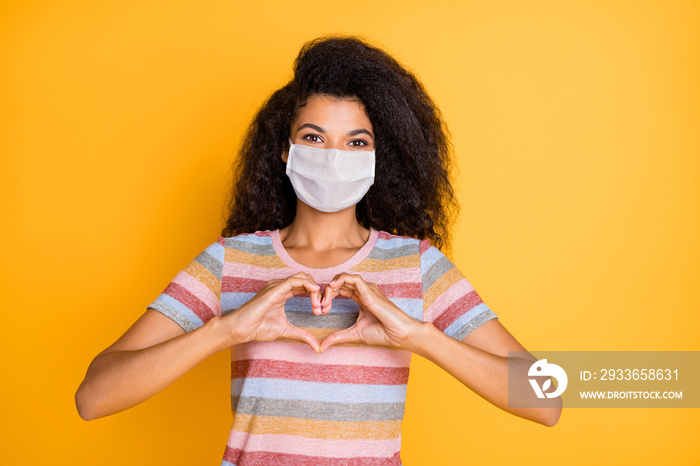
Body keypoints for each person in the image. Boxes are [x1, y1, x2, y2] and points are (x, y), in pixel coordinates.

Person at [76, 35, 561, 465]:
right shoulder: (229, 262)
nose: (333, 157)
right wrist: (226, 330)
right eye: (314, 137)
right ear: (285, 150)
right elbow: (94, 396)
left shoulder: (416, 265)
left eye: (356, 141)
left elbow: (546, 399)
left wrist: (416, 335)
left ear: (377, 157)